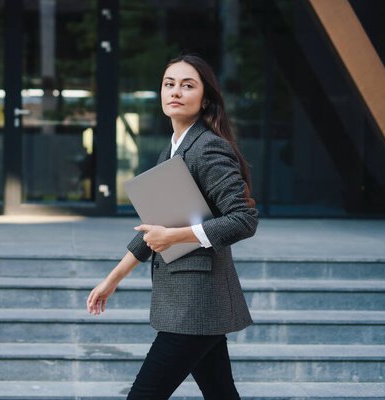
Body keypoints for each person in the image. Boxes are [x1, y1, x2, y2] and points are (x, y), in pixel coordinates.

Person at [86, 53, 258, 400]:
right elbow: (156, 227)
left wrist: (175, 236)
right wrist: (113, 278)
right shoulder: (173, 150)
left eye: (187, 85)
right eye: (169, 84)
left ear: (205, 98)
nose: (175, 91)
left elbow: (243, 219)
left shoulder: (207, 147)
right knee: (221, 394)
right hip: (191, 302)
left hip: (197, 303)